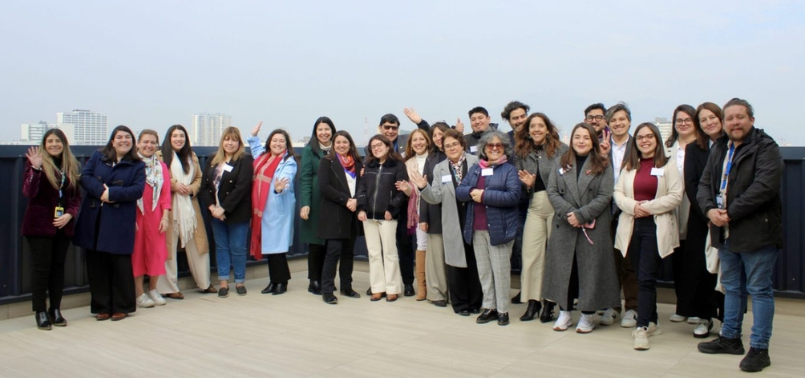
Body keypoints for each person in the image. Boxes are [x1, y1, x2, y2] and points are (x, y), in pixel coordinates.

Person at [697, 98, 783, 373]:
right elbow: (704, 184)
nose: (734, 122)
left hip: (756, 231)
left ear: (751, 120)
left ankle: (759, 348)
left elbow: (764, 187)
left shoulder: (766, 147)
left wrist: (729, 212)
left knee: (759, 290)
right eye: (730, 118)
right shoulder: (720, 147)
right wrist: (709, 210)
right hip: (725, 231)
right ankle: (730, 338)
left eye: (740, 117)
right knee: (731, 287)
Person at [543, 123, 619, 333]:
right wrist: (571, 213)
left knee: (590, 271)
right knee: (565, 271)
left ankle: (587, 315)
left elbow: (605, 195)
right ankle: (565, 312)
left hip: (592, 226)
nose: (581, 141)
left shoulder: (602, 164)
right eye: (577, 137)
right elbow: (552, 191)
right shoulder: (560, 162)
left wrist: (582, 215)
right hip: (565, 224)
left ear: (593, 141)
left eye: (586, 137)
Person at [614, 122, 683, 350]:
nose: (645, 140)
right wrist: (634, 207)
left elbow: (676, 196)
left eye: (649, 136)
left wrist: (648, 207)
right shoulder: (629, 165)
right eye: (641, 137)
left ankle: (641, 327)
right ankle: (652, 320)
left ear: (657, 139)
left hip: (655, 226)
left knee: (646, 277)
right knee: (639, 275)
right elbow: (618, 193)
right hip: (632, 225)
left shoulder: (668, 165)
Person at [74, 125, 145, 321]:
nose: (123, 140)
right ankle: (102, 306)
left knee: (120, 264)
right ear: (112, 141)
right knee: (97, 264)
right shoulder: (98, 157)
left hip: (119, 219)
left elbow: (138, 190)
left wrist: (112, 194)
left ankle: (122, 306)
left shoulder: (137, 165)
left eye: (127, 137)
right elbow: (85, 177)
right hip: (95, 217)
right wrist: (101, 192)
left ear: (132, 142)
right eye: (119, 137)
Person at [414, 129, 483, 315]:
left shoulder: (476, 162)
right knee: (455, 263)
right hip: (452, 219)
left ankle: (476, 302)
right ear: (443, 149)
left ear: (462, 145)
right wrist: (423, 187)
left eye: (455, 144)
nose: (452, 148)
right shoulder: (440, 168)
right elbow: (436, 197)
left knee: (475, 261)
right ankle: (460, 304)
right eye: (447, 146)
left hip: (474, 217)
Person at [456, 130, 520, 326]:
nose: (494, 148)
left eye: (498, 145)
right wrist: (472, 191)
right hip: (477, 228)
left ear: (504, 148)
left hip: (500, 230)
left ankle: (502, 310)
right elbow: (460, 191)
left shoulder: (509, 170)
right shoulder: (476, 169)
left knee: (500, 271)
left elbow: (513, 196)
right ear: (484, 148)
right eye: (490, 145)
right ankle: (489, 307)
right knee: (484, 271)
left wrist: (484, 195)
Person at [21, 129, 81, 329]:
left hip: (62, 226)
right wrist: (36, 169)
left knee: (58, 269)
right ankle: (40, 311)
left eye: (58, 141)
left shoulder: (70, 165)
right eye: (50, 141)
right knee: (41, 269)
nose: (54, 144)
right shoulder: (36, 163)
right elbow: (29, 192)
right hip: (39, 227)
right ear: (44, 144)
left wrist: (69, 214)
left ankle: (55, 309)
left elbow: (76, 198)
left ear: (64, 144)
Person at [513, 113, 568, 322]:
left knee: (554, 256)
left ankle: (550, 303)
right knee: (530, 255)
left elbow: (569, 179)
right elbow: (517, 183)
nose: (536, 129)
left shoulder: (562, 150)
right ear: (528, 130)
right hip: (535, 206)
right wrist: (527, 185)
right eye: (532, 126)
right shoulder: (521, 152)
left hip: (557, 207)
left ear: (547, 129)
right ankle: (533, 302)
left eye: (540, 126)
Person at [684, 102, 727, 337]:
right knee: (701, 269)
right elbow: (691, 184)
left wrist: (725, 213)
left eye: (712, 117)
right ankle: (704, 317)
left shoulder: (733, 145)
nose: (709, 122)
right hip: (702, 217)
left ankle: (729, 320)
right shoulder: (694, 149)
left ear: (721, 118)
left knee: (729, 268)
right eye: (703, 120)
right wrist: (708, 214)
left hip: (730, 216)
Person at [156, 125, 215, 299]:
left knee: (199, 244)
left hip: (190, 206)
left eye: (181, 136)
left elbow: (199, 178)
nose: (178, 139)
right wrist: (174, 185)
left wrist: (191, 188)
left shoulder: (192, 156)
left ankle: (204, 282)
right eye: (175, 136)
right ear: (169, 138)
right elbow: (157, 178)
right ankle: (169, 287)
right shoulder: (160, 156)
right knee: (168, 247)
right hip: (169, 207)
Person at [374, 113, 429, 297]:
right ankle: (381, 284)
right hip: (382, 205)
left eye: (394, 128)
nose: (390, 131)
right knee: (383, 246)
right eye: (387, 127)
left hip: (405, 203)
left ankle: (407, 282)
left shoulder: (405, 144)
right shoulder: (374, 147)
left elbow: (426, 137)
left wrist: (420, 122)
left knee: (404, 244)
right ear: (380, 128)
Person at [598, 102, 640, 328]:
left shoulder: (638, 144)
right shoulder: (601, 146)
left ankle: (632, 307)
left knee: (629, 260)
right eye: (613, 120)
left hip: (631, 209)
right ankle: (611, 305)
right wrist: (602, 157)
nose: (618, 123)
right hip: (606, 209)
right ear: (608, 123)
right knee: (610, 261)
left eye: (622, 119)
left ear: (629, 121)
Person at [199, 127, 253, 298]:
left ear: (239, 143)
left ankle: (239, 281)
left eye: (234, 140)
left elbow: (242, 187)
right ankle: (223, 282)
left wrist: (224, 208)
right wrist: (212, 208)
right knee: (221, 247)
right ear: (222, 141)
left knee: (238, 248)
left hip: (237, 212)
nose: (230, 143)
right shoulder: (212, 159)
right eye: (227, 139)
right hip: (215, 213)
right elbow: (204, 186)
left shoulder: (245, 159)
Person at [665, 105, 706, 327]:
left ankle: (696, 308)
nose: (683, 124)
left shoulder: (703, 148)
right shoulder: (667, 148)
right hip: (671, 207)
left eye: (687, 120)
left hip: (695, 206)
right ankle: (682, 305)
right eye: (679, 120)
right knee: (677, 257)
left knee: (695, 258)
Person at [357, 134, 408, 302]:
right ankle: (377, 287)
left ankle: (392, 288)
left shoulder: (398, 165)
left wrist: (392, 208)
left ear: (387, 146)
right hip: (368, 216)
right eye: (373, 146)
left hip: (387, 216)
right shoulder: (368, 165)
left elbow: (401, 192)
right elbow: (362, 187)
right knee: (373, 253)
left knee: (390, 252)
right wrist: (361, 208)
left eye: (379, 145)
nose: (376, 148)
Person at [248, 124, 297, 295]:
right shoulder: (263, 157)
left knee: (277, 248)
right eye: (275, 140)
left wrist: (279, 188)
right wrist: (253, 136)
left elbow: (286, 179)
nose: (278, 144)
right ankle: (274, 280)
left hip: (277, 209)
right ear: (269, 142)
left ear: (286, 144)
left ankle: (281, 282)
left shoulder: (288, 161)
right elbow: (255, 149)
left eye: (281, 141)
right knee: (270, 247)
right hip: (262, 209)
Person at [317, 130, 363, 304]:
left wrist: (356, 200)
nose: (341, 145)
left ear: (350, 144)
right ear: (333, 145)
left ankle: (346, 287)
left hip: (352, 213)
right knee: (333, 252)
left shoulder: (358, 163)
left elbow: (363, 186)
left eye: (345, 142)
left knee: (348, 253)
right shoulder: (327, 162)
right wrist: (345, 200)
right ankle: (327, 290)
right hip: (334, 212)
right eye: (338, 142)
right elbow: (324, 186)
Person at [132, 130, 171, 308]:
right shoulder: (131, 165)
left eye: (153, 142)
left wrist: (165, 216)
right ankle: (139, 293)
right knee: (137, 252)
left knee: (157, 251)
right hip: (137, 213)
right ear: (138, 143)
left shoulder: (161, 167)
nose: (149, 145)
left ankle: (153, 288)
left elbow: (165, 193)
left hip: (156, 214)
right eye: (145, 142)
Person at [299, 117, 336, 295]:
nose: (324, 133)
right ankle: (314, 280)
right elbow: (305, 178)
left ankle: (327, 279)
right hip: (316, 201)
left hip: (335, 201)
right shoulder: (310, 150)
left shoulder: (338, 147)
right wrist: (305, 203)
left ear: (332, 130)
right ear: (315, 132)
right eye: (320, 129)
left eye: (327, 129)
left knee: (331, 243)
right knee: (316, 243)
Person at [418, 122, 451, 306]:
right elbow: (424, 188)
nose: (438, 138)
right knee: (436, 255)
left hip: (455, 212)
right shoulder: (430, 158)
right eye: (435, 135)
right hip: (434, 210)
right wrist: (423, 217)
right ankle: (437, 293)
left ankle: (454, 292)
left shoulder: (456, 153)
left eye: (441, 134)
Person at [501, 101, 530, 305]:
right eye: (515, 118)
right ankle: (525, 288)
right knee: (520, 248)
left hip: (536, 200)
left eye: (522, 116)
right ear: (508, 121)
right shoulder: (505, 141)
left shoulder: (536, 135)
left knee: (538, 248)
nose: (519, 121)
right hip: (514, 203)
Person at [399, 128, 433, 301]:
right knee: (422, 244)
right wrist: (407, 189)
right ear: (410, 144)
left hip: (436, 206)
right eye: (415, 140)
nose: (418, 143)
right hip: (418, 208)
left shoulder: (435, 159)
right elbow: (410, 191)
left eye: (421, 139)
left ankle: (437, 285)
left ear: (427, 141)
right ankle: (422, 286)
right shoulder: (408, 163)